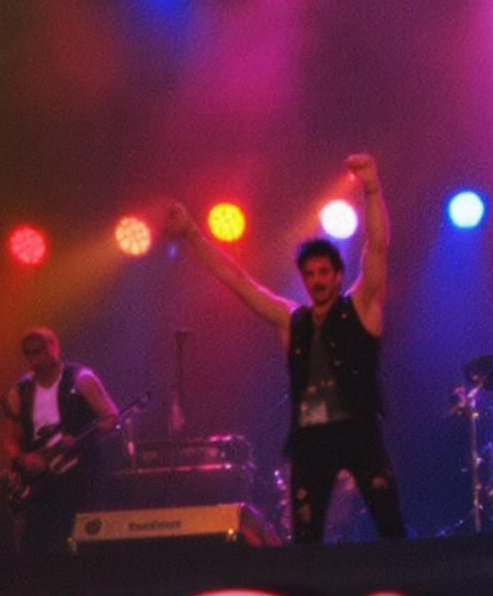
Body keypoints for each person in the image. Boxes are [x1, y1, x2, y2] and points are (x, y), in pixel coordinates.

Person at [166, 155, 406, 544]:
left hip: (360, 432)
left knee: (390, 528)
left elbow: (378, 246)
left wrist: (371, 188)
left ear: (338, 275)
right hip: (311, 440)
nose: (317, 281)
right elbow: (238, 281)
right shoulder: (291, 320)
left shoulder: (361, 306)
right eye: (309, 275)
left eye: (324, 273)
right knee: (306, 539)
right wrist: (192, 233)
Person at [1, 328, 119, 553]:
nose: (33, 359)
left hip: (80, 476)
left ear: (54, 348)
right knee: (34, 546)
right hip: (40, 482)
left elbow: (110, 416)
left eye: (38, 351)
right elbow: (10, 440)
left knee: (83, 544)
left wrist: (93, 431)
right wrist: (24, 459)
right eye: (28, 353)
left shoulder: (81, 379)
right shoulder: (19, 391)